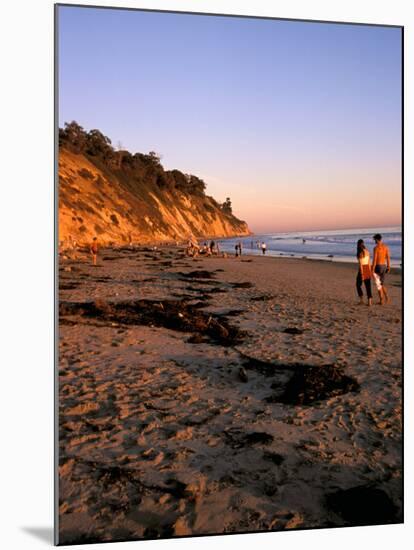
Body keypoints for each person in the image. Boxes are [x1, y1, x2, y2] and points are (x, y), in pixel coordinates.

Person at [371, 233, 391, 304]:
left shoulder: (376, 248)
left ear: (377, 239)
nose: (374, 241)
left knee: (378, 285)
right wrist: (388, 266)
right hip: (384, 266)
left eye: (374, 240)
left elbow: (375, 259)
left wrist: (372, 269)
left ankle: (381, 300)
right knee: (381, 284)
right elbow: (388, 257)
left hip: (378, 267)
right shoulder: (385, 247)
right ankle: (387, 297)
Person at [356, 239, 372, 306]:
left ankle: (361, 300)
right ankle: (369, 302)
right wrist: (370, 271)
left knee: (358, 284)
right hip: (367, 269)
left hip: (362, 269)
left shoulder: (360, 253)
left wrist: (362, 273)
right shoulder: (367, 252)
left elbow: (361, 264)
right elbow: (368, 263)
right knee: (368, 286)